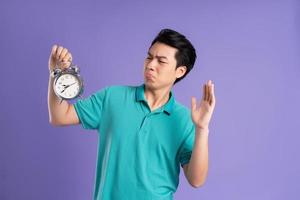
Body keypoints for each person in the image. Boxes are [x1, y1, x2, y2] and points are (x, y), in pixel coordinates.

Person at [48, 28, 216, 200]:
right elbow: (60, 116)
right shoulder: (112, 97)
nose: (151, 65)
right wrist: (56, 73)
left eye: (161, 61)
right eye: (149, 57)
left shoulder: (185, 120)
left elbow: (196, 180)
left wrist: (202, 128)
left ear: (180, 71)